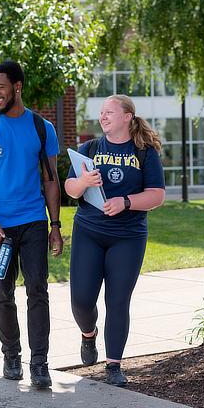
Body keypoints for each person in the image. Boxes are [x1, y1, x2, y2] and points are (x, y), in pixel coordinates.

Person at [0, 60, 63, 388]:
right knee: (3, 291)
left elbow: (51, 179)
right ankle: (11, 355)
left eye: (1, 87)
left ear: (17, 87)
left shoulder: (41, 128)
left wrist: (55, 225)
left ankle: (39, 362)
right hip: (1, 228)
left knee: (38, 288)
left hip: (34, 220)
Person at [64, 94, 166, 387]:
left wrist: (125, 201)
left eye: (109, 112)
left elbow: (157, 195)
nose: (103, 116)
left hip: (128, 236)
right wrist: (84, 183)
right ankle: (88, 334)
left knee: (117, 300)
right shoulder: (90, 148)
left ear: (127, 117)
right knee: (82, 301)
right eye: (101, 112)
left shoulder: (144, 152)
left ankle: (114, 365)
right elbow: (71, 188)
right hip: (89, 232)